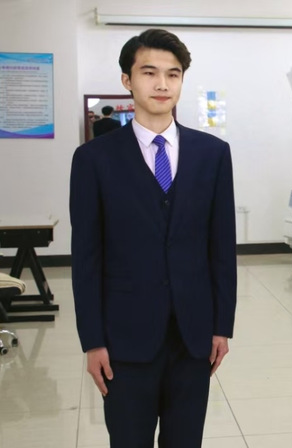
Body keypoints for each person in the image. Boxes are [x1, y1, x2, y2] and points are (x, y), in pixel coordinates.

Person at [70, 28, 236, 448]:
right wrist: (93, 341)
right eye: (149, 73)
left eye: (172, 74)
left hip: (193, 336)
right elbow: (86, 256)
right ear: (127, 80)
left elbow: (221, 248)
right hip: (124, 337)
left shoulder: (213, 154)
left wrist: (221, 327)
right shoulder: (94, 159)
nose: (162, 84)